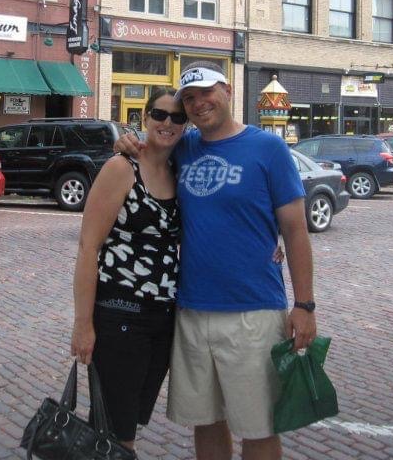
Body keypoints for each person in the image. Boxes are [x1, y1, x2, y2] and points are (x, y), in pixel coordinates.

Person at [115, 61, 316, 460]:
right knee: (206, 422)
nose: (198, 103)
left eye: (206, 92)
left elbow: (295, 230)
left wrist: (305, 305)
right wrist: (127, 143)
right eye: (189, 98)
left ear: (227, 90)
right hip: (191, 310)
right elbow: (147, 153)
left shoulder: (268, 149)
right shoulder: (184, 149)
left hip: (253, 310)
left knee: (259, 427)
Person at [70, 87, 186, 448]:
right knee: (116, 434)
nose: (167, 122)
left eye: (178, 117)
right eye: (160, 114)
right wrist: (83, 323)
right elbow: (88, 247)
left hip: (162, 318)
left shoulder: (178, 169)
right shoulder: (122, 168)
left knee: (124, 422)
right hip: (120, 313)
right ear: (145, 118)